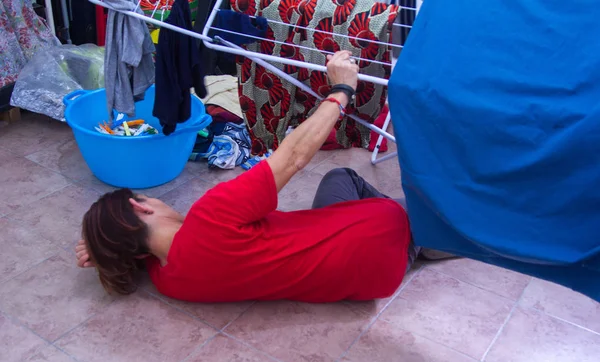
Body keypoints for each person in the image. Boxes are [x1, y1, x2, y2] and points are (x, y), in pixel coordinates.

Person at [76, 51, 448, 302]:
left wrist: (104, 249)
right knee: (426, 214)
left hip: (368, 282)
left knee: (339, 179)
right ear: (139, 208)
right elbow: (293, 157)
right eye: (148, 200)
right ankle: (435, 233)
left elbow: (143, 253)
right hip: (383, 240)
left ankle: (421, 239)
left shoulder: (169, 281)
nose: (158, 200)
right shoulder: (211, 217)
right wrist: (342, 90)